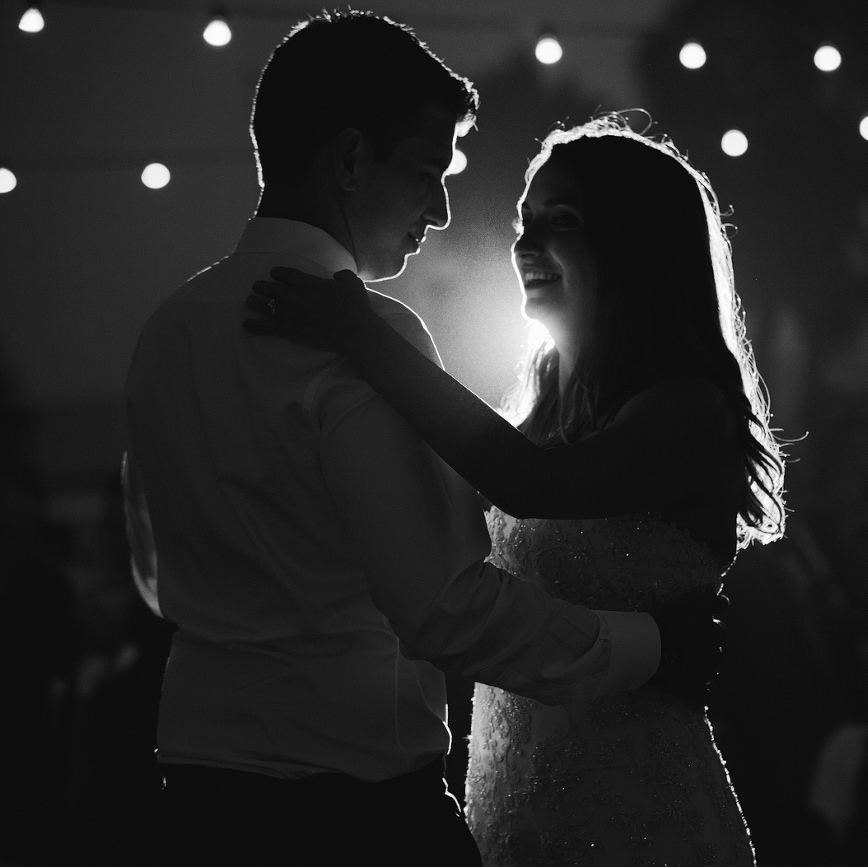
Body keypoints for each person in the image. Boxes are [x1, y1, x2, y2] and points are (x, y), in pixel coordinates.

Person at [123, 14, 723, 866]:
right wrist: (652, 645)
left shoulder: (166, 332)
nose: (439, 210)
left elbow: (154, 572)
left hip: (195, 796)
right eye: (425, 171)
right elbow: (446, 610)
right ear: (349, 159)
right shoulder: (366, 336)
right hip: (352, 809)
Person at [247, 116, 786, 865]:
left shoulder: (686, 408)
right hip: (512, 799)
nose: (524, 246)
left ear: (637, 243)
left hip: (641, 812)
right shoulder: (532, 411)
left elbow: (530, 486)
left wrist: (366, 337)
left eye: (559, 222)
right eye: (521, 223)